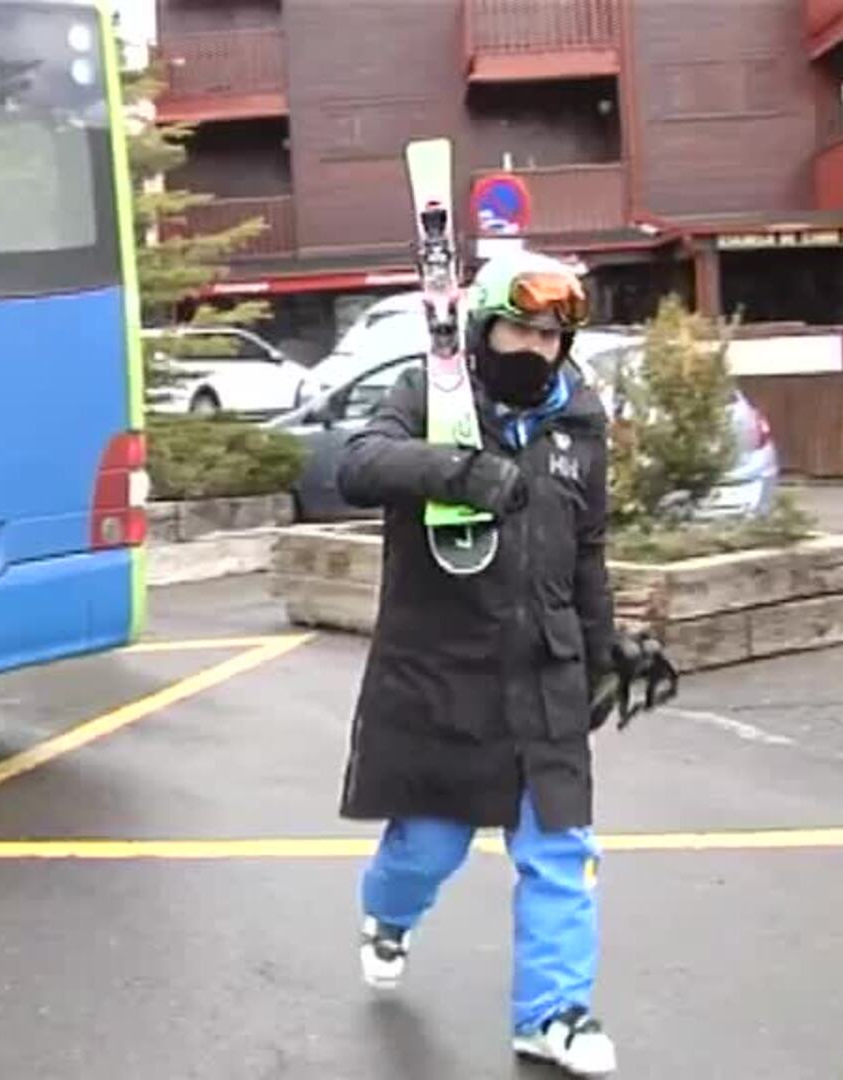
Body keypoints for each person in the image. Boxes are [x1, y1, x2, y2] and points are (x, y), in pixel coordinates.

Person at [334, 251, 644, 1077]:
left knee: (561, 852)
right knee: (427, 848)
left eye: (552, 336)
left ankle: (552, 1014)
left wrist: (604, 646)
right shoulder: (427, 397)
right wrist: (462, 473)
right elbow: (358, 465)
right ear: (482, 330)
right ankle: (387, 915)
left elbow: (587, 548)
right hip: (444, 670)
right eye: (521, 329)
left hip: (544, 671)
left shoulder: (579, 422)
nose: (537, 349)